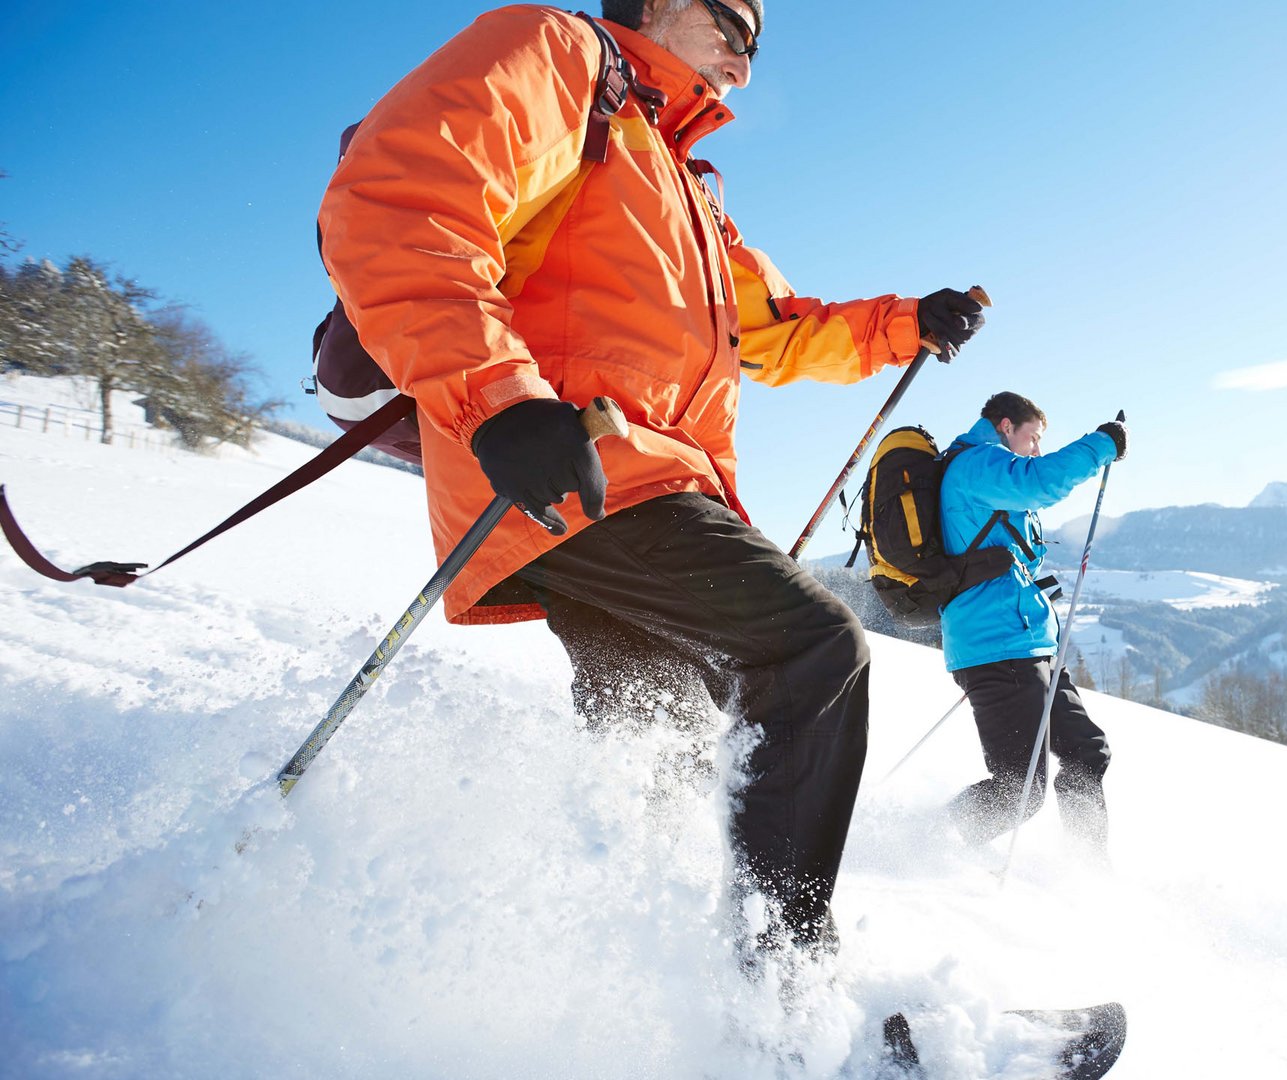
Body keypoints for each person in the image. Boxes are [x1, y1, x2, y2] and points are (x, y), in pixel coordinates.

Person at [316, 0, 988, 959]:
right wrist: (501, 396)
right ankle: (784, 1017)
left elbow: (779, 330)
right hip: (569, 466)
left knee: (658, 742)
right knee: (810, 650)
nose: (746, 70)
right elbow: (401, 196)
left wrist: (905, 324)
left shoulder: (685, 187)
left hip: (624, 487)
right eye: (738, 33)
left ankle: (648, 983)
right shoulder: (560, 57)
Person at [937, 392, 1126, 856]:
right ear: (1005, 426)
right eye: (1033, 437)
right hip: (997, 647)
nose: (1037, 449)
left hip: (1030, 644)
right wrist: (1103, 445)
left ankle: (1087, 870)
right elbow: (1041, 482)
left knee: (1086, 751)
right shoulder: (977, 465)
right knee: (1019, 792)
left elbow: (1004, 554)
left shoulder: (990, 475)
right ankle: (927, 843)